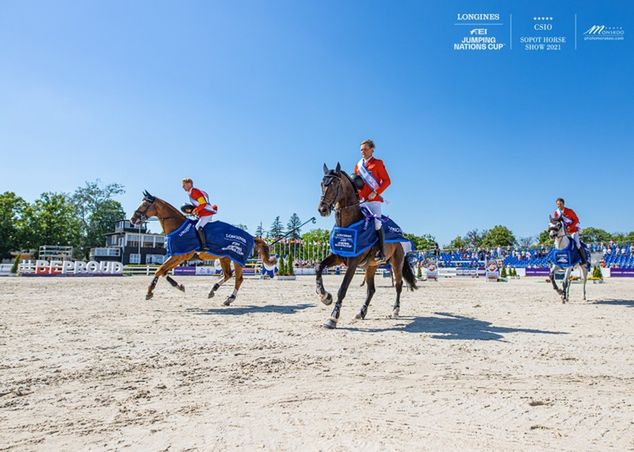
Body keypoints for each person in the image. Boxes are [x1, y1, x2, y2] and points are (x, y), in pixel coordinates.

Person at [352, 139, 391, 259]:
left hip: (374, 201)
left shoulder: (378, 163)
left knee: (377, 224)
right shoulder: (358, 166)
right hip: (361, 201)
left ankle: (381, 252)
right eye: (361, 150)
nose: (363, 152)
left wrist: (375, 192)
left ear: (372, 149)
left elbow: (387, 181)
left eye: (365, 149)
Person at [182, 178, 217, 251]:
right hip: (203, 213)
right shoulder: (191, 193)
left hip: (207, 213)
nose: (182, 186)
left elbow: (203, 203)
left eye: (184, 185)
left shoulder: (194, 191)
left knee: (198, 226)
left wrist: (196, 210)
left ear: (189, 184)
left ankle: (204, 246)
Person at [553, 197, 586, 265]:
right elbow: (556, 223)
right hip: (563, 232)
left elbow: (576, 220)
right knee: (557, 243)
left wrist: (570, 227)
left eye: (560, 204)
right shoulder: (556, 212)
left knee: (577, 243)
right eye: (558, 204)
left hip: (573, 230)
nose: (559, 206)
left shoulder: (569, 211)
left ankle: (583, 259)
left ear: (563, 204)